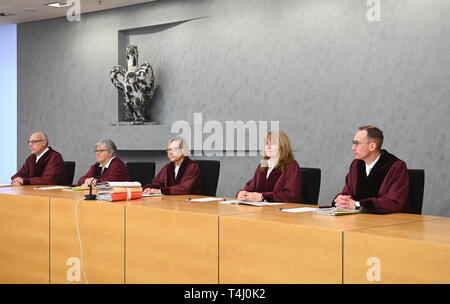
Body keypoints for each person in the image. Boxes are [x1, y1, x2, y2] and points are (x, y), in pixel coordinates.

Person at [333, 125, 411, 214]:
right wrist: (340, 200)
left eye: (357, 143)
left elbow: (394, 203)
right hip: (358, 221)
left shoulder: (396, 166)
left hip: (388, 223)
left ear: (372, 146)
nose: (353, 148)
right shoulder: (356, 165)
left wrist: (358, 205)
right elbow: (347, 193)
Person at [237, 130, 303, 203]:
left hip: (281, 211)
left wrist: (263, 197)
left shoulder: (291, 166)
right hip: (260, 211)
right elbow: (252, 187)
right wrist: (243, 193)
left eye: (273, 144)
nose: (268, 147)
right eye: (266, 144)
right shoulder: (263, 165)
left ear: (282, 146)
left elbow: (290, 196)